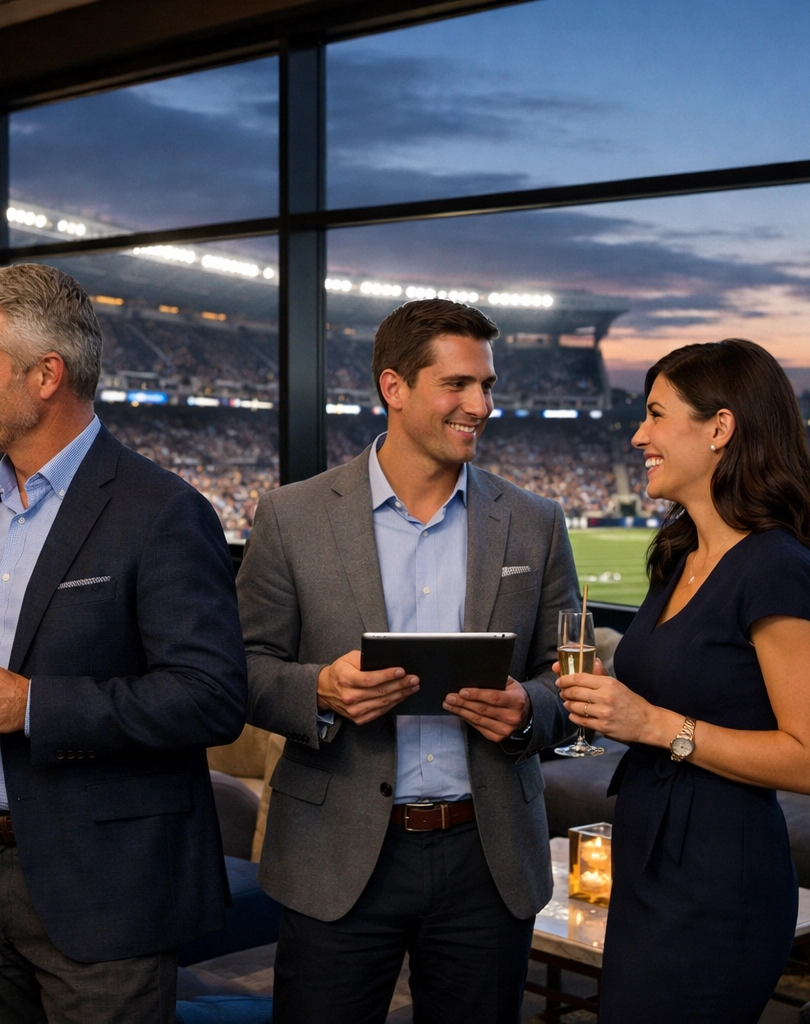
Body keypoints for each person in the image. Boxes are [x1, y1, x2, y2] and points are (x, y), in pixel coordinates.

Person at [0, 264, 248, 1024]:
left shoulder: (162, 512)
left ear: (48, 375)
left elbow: (212, 697)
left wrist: (28, 705)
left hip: (101, 884)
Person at [236, 298, 580, 1023]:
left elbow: (569, 679)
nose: (480, 405)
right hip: (337, 855)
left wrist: (529, 708)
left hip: (487, 861)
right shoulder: (290, 516)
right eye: (458, 385)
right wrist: (321, 691)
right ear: (394, 387)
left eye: (486, 386)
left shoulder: (534, 522)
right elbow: (242, 669)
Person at [556, 338, 810, 1023]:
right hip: (649, 859)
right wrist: (604, 693)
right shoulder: (679, 552)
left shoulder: (776, 566)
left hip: (721, 880)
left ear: (720, 428)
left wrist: (655, 725)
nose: (638, 435)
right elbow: (675, 687)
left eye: (656, 415)